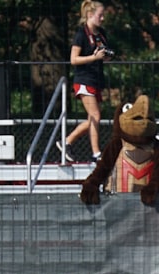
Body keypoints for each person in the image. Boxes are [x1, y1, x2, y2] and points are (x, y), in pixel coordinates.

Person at [59, 1, 111, 164]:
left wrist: (106, 56)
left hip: (96, 80)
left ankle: (67, 141)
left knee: (94, 118)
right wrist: (93, 58)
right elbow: (73, 59)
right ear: (90, 15)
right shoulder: (81, 34)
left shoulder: (101, 33)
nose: (102, 18)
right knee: (95, 115)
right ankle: (95, 153)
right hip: (84, 79)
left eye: (103, 15)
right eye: (99, 15)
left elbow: (101, 53)